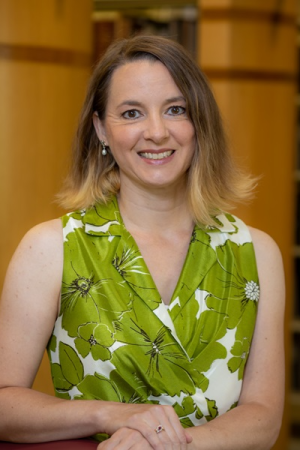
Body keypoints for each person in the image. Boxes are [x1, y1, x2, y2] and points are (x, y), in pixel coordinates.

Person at [0, 35, 285, 450]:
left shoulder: (257, 253)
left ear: (198, 122)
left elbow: (263, 417)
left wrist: (169, 444)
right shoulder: (49, 247)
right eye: (131, 113)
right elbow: (4, 402)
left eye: (175, 110)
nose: (156, 132)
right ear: (101, 128)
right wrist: (113, 415)